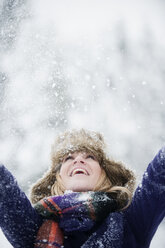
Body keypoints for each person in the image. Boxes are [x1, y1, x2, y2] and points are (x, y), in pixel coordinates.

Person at [0, 129, 164, 248]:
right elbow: (4, 191)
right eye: (68, 157)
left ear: (104, 173)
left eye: (90, 156)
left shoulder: (131, 224)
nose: (78, 160)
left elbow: (157, 179)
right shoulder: (36, 227)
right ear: (58, 177)